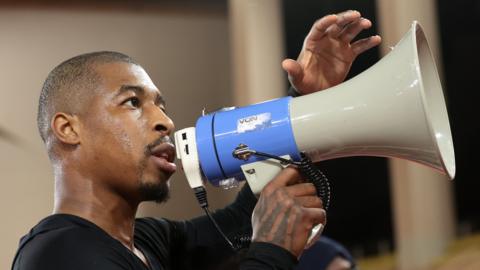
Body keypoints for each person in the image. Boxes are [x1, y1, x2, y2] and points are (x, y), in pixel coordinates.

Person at [11, 10, 380, 270]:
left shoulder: (148, 242)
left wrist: (306, 108)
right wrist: (271, 252)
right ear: (68, 129)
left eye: (162, 106)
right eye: (133, 102)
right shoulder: (59, 254)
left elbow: (241, 222)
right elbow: (258, 237)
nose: (165, 122)